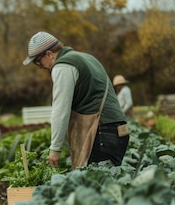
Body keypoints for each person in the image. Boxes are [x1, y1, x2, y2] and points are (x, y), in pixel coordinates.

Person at [23, 31, 129, 168]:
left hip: (101, 134)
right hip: (119, 131)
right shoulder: (87, 58)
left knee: (94, 186)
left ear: (49, 54)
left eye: (38, 62)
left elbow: (61, 109)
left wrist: (55, 149)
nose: (40, 67)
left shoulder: (62, 66)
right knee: (110, 186)